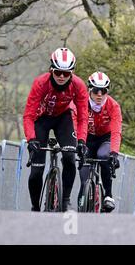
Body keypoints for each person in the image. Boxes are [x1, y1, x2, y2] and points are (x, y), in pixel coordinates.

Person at [23, 48, 88, 212]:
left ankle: (65, 200)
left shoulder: (78, 85)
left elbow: (82, 117)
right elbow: (29, 115)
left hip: (63, 119)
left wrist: (81, 141)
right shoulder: (40, 83)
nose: (61, 76)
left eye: (66, 74)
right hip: (42, 120)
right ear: (51, 69)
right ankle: (35, 206)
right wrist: (31, 140)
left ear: (72, 72)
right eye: (58, 72)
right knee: (37, 171)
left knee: (69, 157)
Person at [77, 72, 122, 213]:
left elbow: (116, 131)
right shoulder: (82, 103)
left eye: (104, 91)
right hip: (87, 138)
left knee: (104, 156)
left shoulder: (113, 106)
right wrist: (79, 143)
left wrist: (114, 153)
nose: (100, 95)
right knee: (84, 179)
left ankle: (108, 195)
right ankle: (83, 200)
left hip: (105, 138)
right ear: (90, 89)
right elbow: (76, 123)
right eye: (96, 90)